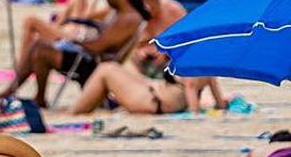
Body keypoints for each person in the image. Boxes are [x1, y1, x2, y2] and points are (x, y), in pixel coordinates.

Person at [0, 0, 149, 107]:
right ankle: (16, 92)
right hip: (90, 58)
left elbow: (99, 46)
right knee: (39, 46)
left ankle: (27, 95)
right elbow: (93, 25)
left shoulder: (128, 18)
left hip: (92, 64)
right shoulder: (121, 14)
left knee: (41, 50)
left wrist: (75, 41)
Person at [68, 64, 223, 115]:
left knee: (105, 69)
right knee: (121, 67)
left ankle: (74, 112)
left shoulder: (192, 68)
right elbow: (220, 103)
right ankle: (83, 108)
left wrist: (195, 109)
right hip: (155, 97)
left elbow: (193, 109)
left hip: (153, 101)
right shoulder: (209, 70)